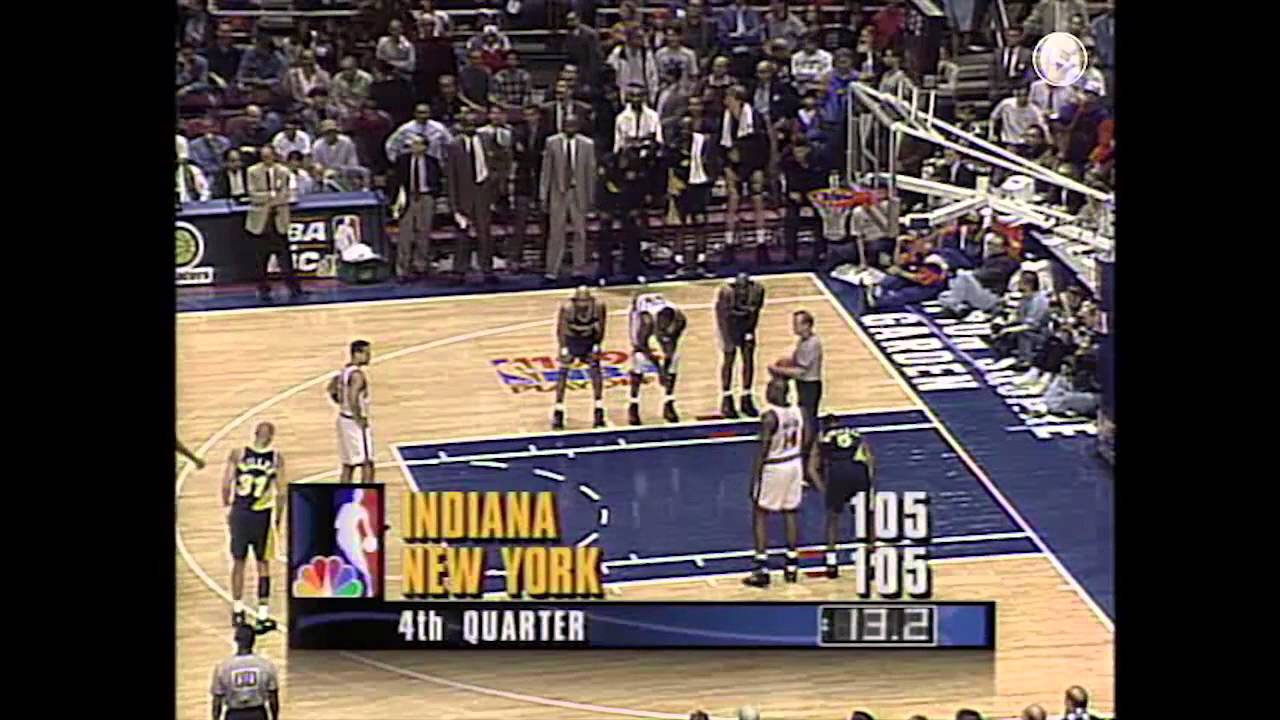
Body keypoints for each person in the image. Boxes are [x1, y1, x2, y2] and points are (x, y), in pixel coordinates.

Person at [743, 376, 808, 588]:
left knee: (761, 513)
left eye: (771, 388)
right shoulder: (800, 412)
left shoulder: (769, 417)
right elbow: (807, 440)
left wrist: (755, 476)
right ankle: (792, 563)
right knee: (791, 513)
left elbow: (762, 450)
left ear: (780, 392)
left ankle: (761, 567)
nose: (768, 391)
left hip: (774, 465)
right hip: (794, 463)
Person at [221, 422, 285, 629]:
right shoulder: (275, 458)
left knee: (238, 562)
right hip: (261, 516)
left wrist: (227, 507)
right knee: (263, 564)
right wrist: (278, 519)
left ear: (254, 434)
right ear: (272, 437)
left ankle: (238, 611)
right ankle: (262, 615)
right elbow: (281, 493)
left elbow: (226, 484)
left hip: (240, 513)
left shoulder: (238, 454)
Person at [808, 415, 875, 578]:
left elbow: (811, 468)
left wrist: (823, 489)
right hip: (858, 474)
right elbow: (869, 459)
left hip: (837, 476)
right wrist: (869, 482)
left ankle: (831, 562)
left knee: (833, 518)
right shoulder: (855, 433)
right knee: (867, 518)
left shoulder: (821, 437)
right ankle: (871, 559)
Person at [446, 111, 500, 285]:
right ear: (461, 126)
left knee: (485, 235)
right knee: (462, 235)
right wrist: (454, 205)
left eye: (473, 124)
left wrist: (495, 187)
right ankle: (459, 271)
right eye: (467, 124)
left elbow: (499, 162)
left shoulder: (487, 139)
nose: (471, 127)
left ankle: (487, 270)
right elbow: (451, 177)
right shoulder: (454, 145)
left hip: (483, 193)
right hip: (464, 195)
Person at [540, 114, 596, 283]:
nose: (570, 127)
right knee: (556, 233)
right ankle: (552, 270)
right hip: (558, 193)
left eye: (573, 124)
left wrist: (591, 197)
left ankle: (579, 269)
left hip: (579, 193)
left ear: (578, 126)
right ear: (562, 125)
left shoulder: (587, 144)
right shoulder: (552, 142)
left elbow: (590, 173)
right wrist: (543, 195)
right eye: (567, 124)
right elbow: (546, 171)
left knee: (580, 233)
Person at [246, 146, 304, 302]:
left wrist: (270, 199)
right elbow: (253, 195)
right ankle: (263, 289)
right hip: (261, 221)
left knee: (285, 257)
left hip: (279, 219)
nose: (266, 159)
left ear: (274, 156)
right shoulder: (252, 171)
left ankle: (294, 287)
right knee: (261, 258)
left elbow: (286, 195)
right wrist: (272, 196)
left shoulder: (284, 171)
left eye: (269, 156)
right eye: (263, 157)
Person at [720, 85, 770, 265]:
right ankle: (729, 244)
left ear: (738, 99)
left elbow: (763, 145)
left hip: (754, 163)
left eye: (729, 97)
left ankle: (761, 243)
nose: (725, 100)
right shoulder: (725, 118)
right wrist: (727, 168)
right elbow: (721, 146)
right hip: (733, 166)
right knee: (733, 201)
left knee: (757, 200)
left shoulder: (755, 117)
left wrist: (760, 168)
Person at [663, 115, 718, 277]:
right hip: (681, 186)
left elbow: (713, 162)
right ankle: (677, 260)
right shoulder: (674, 146)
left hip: (700, 186)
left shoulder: (703, 142)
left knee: (700, 223)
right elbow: (669, 167)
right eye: (682, 128)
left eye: (688, 127)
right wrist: (673, 185)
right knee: (679, 225)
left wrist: (710, 179)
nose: (685, 131)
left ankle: (702, 259)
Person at [553, 286, 608, 430]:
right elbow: (561, 329)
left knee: (595, 370)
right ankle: (558, 409)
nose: (583, 304)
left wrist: (597, 344)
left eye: (585, 301)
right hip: (571, 340)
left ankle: (599, 407)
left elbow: (602, 326)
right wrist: (563, 347)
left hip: (589, 340)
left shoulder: (598, 307)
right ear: (575, 301)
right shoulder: (567, 308)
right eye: (580, 301)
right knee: (563, 372)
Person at [628, 291, 687, 425]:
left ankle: (668, 402)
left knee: (674, 360)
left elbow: (672, 346)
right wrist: (659, 370)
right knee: (639, 359)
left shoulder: (680, 320)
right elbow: (642, 345)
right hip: (640, 307)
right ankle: (633, 405)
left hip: (658, 307)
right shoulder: (645, 320)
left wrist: (667, 367)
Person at [390, 135, 441, 282]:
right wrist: (394, 202)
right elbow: (395, 181)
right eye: (413, 144)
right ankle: (402, 269)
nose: (414, 146)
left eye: (418, 144)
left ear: (425, 147)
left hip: (426, 198)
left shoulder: (432, 162)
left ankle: (421, 266)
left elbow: (437, 181)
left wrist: (433, 195)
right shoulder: (402, 160)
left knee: (423, 233)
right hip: (407, 198)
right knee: (405, 235)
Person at [715, 273, 766, 418]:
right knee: (729, 358)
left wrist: (750, 331)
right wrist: (727, 339)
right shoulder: (726, 292)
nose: (743, 291)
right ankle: (726, 398)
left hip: (746, 323)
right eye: (740, 288)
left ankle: (746, 396)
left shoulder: (758, 290)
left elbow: (755, 312)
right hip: (727, 323)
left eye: (745, 287)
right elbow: (725, 316)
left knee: (748, 358)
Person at [937, 233, 1020, 317]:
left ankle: (956, 305)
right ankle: (960, 308)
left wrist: (970, 273)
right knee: (943, 295)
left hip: (992, 296)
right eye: (989, 244)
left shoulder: (1006, 261)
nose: (991, 247)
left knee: (964, 276)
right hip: (980, 292)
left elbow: (987, 276)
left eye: (995, 245)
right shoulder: (990, 259)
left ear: (1004, 247)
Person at [327, 340, 375, 484]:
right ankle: (367, 496)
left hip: (343, 419)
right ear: (357, 354)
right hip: (354, 423)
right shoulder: (357, 375)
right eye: (366, 353)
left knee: (348, 465)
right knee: (367, 464)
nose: (369, 357)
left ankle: (343, 495)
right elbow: (352, 398)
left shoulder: (344, 371)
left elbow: (331, 389)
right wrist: (358, 417)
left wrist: (342, 405)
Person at [769, 310, 823, 436]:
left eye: (796, 324)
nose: (794, 327)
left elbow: (801, 372)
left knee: (808, 419)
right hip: (804, 384)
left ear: (807, 325)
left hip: (809, 386)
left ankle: (812, 444)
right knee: (804, 417)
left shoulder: (812, 344)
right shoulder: (803, 341)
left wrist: (777, 370)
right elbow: (798, 361)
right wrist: (786, 362)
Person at [211, 624, 280, 720]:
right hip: (258, 714)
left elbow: (217, 701)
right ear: (254, 640)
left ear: (236, 639)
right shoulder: (266, 666)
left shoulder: (223, 668)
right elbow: (273, 698)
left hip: (234, 715)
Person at [334, 488, 379, 595]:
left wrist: (370, 541)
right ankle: (368, 590)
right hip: (350, 537)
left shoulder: (346, 507)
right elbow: (368, 531)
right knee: (360, 564)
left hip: (342, 537)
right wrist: (371, 541)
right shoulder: (360, 510)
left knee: (350, 561)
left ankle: (365, 588)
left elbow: (337, 525)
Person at [386, 103, 453, 168]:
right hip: (411, 164)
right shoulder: (405, 129)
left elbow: (450, 143)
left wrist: (445, 162)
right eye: (420, 113)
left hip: (434, 164)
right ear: (415, 113)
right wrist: (397, 162)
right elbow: (390, 145)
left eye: (426, 112)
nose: (423, 116)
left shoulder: (439, 128)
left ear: (430, 113)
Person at [607, 29, 660, 106]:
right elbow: (610, 72)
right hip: (625, 91)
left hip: (643, 91)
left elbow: (653, 76)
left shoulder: (646, 53)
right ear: (629, 38)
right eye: (638, 37)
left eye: (642, 37)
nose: (641, 40)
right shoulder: (619, 53)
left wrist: (652, 96)